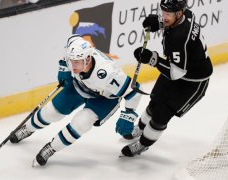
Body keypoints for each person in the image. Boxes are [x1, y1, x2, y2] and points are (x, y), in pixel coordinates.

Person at [9, 34, 144, 166]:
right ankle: (27, 128)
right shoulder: (77, 51)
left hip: (104, 99)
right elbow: (71, 42)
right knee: (51, 112)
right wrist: (64, 67)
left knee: (81, 123)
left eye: (76, 62)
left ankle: (51, 148)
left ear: (88, 59)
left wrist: (128, 115)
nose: (72, 65)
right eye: (71, 61)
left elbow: (134, 92)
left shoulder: (108, 74)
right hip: (80, 86)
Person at [120, 0, 213, 157]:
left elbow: (176, 74)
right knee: (155, 100)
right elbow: (181, 21)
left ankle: (143, 144)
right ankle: (141, 128)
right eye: (162, 12)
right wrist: (159, 22)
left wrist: (152, 58)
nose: (164, 16)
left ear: (179, 13)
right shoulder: (186, 15)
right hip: (177, 67)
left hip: (193, 82)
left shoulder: (179, 37)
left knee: (162, 114)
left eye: (167, 14)